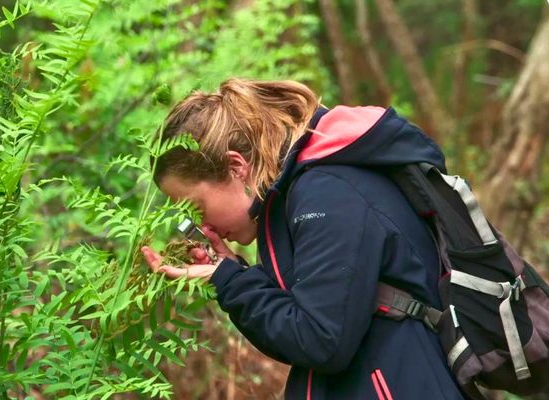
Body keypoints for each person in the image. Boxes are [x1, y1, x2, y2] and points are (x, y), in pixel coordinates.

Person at [141, 78, 465, 399]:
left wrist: (230, 282)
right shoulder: (293, 201)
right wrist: (228, 272)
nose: (201, 224)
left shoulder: (325, 196)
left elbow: (320, 341)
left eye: (197, 207)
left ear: (236, 167)